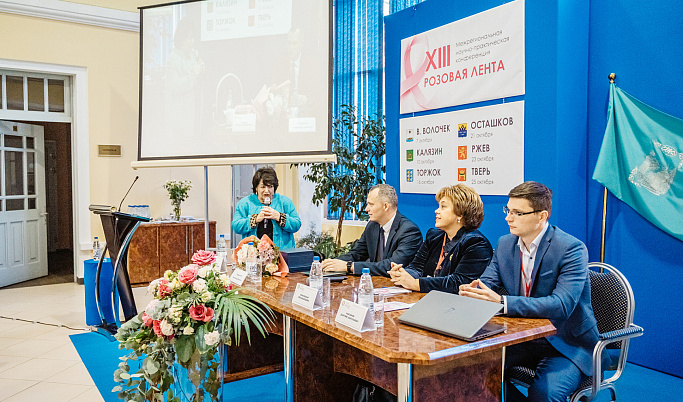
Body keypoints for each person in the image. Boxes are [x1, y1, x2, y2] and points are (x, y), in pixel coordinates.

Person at [459, 181, 608, 402]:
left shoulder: (571, 249)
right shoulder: (504, 244)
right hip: (522, 337)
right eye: (508, 210)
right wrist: (476, 290)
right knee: (469, 370)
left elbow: (561, 305)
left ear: (542, 216)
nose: (508, 218)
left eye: (518, 213)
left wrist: (503, 302)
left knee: (544, 394)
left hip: (566, 343)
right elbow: (488, 281)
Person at [388, 184, 492, 293]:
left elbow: (458, 283)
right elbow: (416, 267)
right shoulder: (434, 236)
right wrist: (403, 274)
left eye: (443, 207)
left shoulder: (476, 243)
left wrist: (415, 283)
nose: (436, 211)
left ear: (460, 214)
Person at [321, 184, 422, 276]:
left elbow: (391, 266)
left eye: (371, 204)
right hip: (374, 284)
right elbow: (357, 254)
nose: (366, 209)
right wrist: (331, 263)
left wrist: (349, 266)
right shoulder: (372, 226)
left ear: (385, 206)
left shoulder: (409, 231)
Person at [231, 167, 301, 249]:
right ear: (256, 188)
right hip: (253, 254)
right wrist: (255, 219)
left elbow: (297, 224)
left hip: (282, 254)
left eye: (270, 186)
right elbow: (236, 226)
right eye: (263, 187)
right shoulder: (245, 203)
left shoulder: (284, 202)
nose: (267, 191)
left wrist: (279, 217)